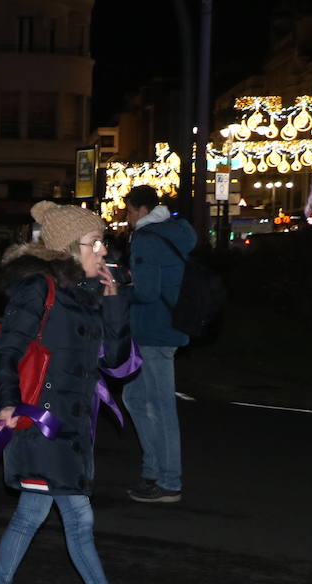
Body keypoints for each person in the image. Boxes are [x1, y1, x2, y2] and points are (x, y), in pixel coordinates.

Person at [0, 200, 162, 584]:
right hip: (40, 422)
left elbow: (117, 363)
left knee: (30, 515)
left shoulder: (90, 291)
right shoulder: (38, 287)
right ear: (66, 250)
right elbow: (3, 351)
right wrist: (7, 404)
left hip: (74, 427)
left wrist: (115, 300)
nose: (102, 250)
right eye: (92, 243)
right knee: (78, 518)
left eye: (103, 241)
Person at [122, 185, 195, 503]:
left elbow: (147, 292)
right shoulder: (174, 232)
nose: (126, 216)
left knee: (162, 407)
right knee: (135, 398)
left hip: (153, 330)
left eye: (128, 210)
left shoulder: (147, 238)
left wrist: (119, 288)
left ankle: (168, 482)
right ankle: (153, 472)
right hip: (167, 326)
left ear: (140, 209)